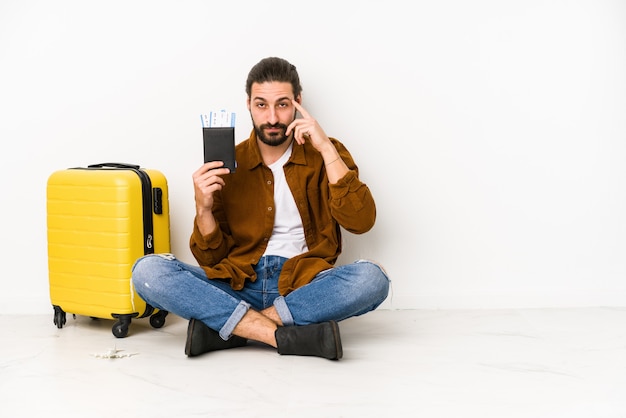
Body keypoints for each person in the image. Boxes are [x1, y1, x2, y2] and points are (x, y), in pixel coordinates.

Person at [131, 57, 390, 360]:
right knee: (147, 271)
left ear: (298, 102)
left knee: (373, 279)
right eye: (261, 105)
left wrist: (325, 148)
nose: (272, 118)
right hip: (239, 282)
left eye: (282, 104)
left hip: (303, 285)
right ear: (249, 105)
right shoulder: (231, 162)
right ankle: (280, 335)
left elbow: (362, 221)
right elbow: (212, 258)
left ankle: (231, 329)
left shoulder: (326, 151)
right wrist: (203, 209)